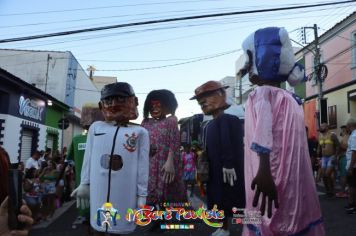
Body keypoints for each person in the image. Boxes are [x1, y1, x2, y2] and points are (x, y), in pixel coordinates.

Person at [240, 27, 324, 235]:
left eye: (249, 59)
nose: (245, 66)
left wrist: (264, 169)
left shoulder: (263, 94)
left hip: (267, 174)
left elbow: (263, 133)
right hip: (282, 175)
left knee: (265, 212)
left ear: (262, 59)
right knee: (289, 211)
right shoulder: (287, 98)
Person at [71, 82, 149, 235]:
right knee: (99, 225)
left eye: (120, 99)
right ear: (101, 106)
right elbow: (88, 157)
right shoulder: (96, 128)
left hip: (126, 190)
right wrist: (85, 183)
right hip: (99, 190)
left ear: (134, 101)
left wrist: (142, 195)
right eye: (108, 101)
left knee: (122, 226)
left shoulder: (140, 132)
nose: (113, 104)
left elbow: (143, 166)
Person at [191, 81, 245, 236]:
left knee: (230, 199)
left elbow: (229, 143)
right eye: (200, 100)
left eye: (207, 96)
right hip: (214, 171)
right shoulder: (209, 125)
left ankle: (241, 228)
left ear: (222, 95)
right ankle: (223, 227)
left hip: (227, 170)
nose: (202, 102)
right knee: (217, 200)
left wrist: (228, 163)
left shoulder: (229, 120)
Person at [141, 89, 186, 206]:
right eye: (152, 106)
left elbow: (175, 142)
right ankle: (154, 218)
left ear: (168, 106)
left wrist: (170, 161)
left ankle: (167, 218)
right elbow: (140, 142)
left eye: (159, 105)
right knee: (150, 193)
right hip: (149, 163)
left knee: (167, 191)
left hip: (165, 163)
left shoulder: (171, 120)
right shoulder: (145, 122)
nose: (155, 108)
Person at [67, 104, 104, 226]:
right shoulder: (106, 138)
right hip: (102, 185)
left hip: (82, 184)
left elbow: (70, 160)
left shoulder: (77, 139)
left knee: (86, 217)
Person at [318, 122, 340, 197]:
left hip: (331, 157)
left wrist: (336, 156)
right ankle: (328, 191)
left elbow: (338, 146)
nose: (320, 128)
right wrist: (318, 156)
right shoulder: (320, 136)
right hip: (324, 158)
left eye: (322, 126)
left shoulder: (332, 135)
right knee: (324, 175)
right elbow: (319, 146)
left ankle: (332, 190)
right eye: (320, 126)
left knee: (327, 174)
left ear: (327, 127)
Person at [345, 118, 356, 214]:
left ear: (350, 125)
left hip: (353, 166)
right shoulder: (353, 135)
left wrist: (351, 167)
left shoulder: (354, 136)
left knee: (352, 186)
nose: (346, 128)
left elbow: (354, 152)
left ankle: (352, 205)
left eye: (347, 126)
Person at [337, 125, 349, 198]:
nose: (341, 131)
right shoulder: (345, 137)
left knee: (343, 176)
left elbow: (347, 147)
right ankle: (345, 191)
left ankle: (343, 192)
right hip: (343, 157)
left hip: (344, 157)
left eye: (342, 130)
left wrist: (340, 145)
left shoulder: (347, 137)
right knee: (344, 175)